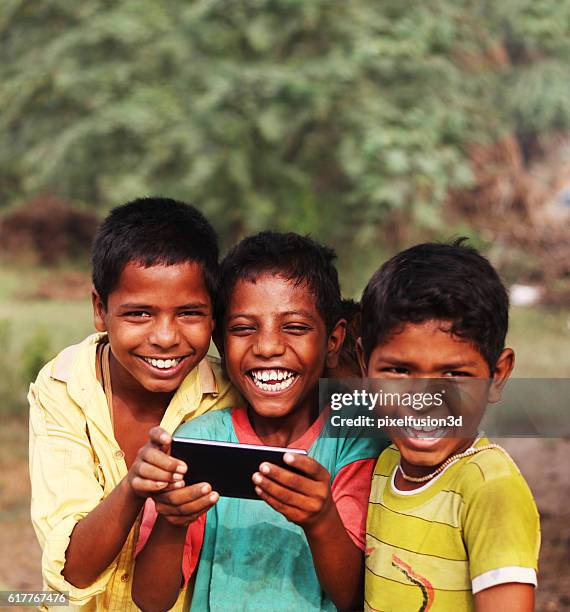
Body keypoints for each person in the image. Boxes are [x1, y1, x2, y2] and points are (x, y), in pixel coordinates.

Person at [131, 232, 389, 611]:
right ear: (219, 340)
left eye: (295, 327)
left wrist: (321, 520)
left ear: (333, 340)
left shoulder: (354, 440)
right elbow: (151, 600)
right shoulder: (201, 442)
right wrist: (173, 519)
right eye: (244, 329)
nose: (268, 347)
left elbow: (353, 597)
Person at [28, 198, 240, 611]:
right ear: (99, 310)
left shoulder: (232, 391)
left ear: (214, 315)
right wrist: (133, 488)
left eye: (189, 313)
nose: (164, 337)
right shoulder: (63, 387)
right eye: (139, 313)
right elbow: (73, 572)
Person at [358, 240, 540, 611]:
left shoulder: (490, 488)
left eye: (455, 374)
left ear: (497, 376)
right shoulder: (385, 463)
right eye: (398, 370)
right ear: (364, 366)